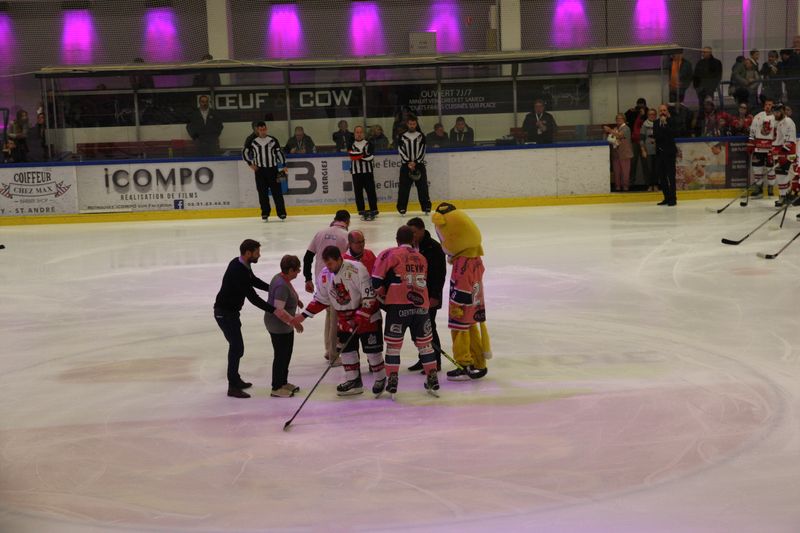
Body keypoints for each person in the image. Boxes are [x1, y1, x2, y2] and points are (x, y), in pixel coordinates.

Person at [295, 246, 387, 396]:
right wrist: (303, 316)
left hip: (367, 316)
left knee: (372, 351)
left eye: (331, 263)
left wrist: (361, 316)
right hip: (344, 319)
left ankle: (380, 378)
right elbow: (321, 299)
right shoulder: (325, 274)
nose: (328, 267)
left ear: (339, 259)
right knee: (347, 351)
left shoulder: (357, 269)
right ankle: (354, 381)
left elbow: (369, 296)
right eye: (326, 264)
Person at [214, 239, 297, 398]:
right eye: (257, 252)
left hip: (231, 313)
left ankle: (235, 379)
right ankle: (232, 386)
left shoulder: (242, 264)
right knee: (236, 347)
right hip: (224, 314)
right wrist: (274, 310)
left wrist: (273, 289)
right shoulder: (237, 270)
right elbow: (253, 298)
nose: (259, 255)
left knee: (237, 348)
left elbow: (253, 280)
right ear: (248, 253)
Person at [371, 226, 439, 397]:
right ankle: (432, 377)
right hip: (421, 307)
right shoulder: (421, 257)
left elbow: (376, 281)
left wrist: (383, 295)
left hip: (398, 306)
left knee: (393, 347)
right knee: (425, 345)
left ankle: (392, 379)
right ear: (413, 240)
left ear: (397, 239)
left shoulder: (389, 254)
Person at [431, 203, 491, 381]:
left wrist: (457, 305)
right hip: (475, 302)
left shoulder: (462, 262)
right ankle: (478, 362)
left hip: (462, 306)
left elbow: (462, 284)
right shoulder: (475, 257)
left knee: (460, 332)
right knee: (472, 329)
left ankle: (464, 364)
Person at [303, 210, 351, 366]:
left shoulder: (320, 233)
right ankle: (332, 353)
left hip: (321, 279)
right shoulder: (346, 236)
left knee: (330, 315)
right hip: (337, 280)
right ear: (347, 221)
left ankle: (329, 349)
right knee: (335, 316)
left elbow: (308, 257)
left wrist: (308, 279)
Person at [406, 217, 446, 373]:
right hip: (414, 294)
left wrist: (435, 296)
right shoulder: (409, 246)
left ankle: (435, 361)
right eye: (410, 233)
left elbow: (439, 274)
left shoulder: (433, 247)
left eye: (415, 232)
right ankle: (424, 358)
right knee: (417, 327)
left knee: (429, 327)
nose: (412, 235)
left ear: (422, 230)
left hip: (429, 295)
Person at [264, 255, 304, 398]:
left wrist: (296, 300)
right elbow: (279, 311)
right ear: (290, 270)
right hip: (278, 326)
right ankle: (276, 387)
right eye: (297, 269)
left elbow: (288, 294)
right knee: (281, 355)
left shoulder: (282, 278)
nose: (298, 272)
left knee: (286, 354)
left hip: (284, 326)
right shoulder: (281, 285)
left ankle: (283, 382)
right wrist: (295, 322)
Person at [242, 121, 287, 221]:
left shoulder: (273, 140)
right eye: (261, 130)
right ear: (257, 130)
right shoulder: (252, 141)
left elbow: (279, 153)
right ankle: (265, 213)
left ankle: (282, 213)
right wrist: (250, 164)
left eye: (264, 129)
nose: (263, 131)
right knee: (262, 193)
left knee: (277, 192)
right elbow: (244, 153)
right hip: (260, 171)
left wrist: (284, 165)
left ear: (266, 129)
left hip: (273, 170)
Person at [396, 114, 431, 215]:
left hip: (419, 165)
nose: (412, 125)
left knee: (423, 187)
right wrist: (408, 162)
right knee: (404, 188)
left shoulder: (421, 136)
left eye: (414, 124)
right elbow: (400, 150)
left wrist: (415, 162)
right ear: (407, 124)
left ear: (416, 124)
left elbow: (423, 150)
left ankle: (426, 207)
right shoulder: (402, 136)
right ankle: (402, 208)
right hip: (406, 166)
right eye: (410, 124)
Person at [348, 125, 378, 220]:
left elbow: (371, 157)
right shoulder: (351, 144)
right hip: (356, 172)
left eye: (361, 132)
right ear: (354, 134)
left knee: (371, 191)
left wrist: (358, 155)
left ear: (364, 134)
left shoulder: (369, 144)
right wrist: (363, 154)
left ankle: (374, 209)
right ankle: (361, 210)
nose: (359, 134)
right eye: (357, 132)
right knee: (358, 192)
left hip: (368, 172)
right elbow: (352, 156)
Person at [748, 98, 776, 198]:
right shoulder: (758, 116)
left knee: (771, 169)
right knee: (757, 168)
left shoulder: (776, 118)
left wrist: (775, 148)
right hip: (758, 148)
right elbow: (752, 131)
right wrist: (751, 143)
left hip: (770, 149)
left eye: (770, 105)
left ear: (773, 106)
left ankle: (770, 187)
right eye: (766, 104)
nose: (768, 106)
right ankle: (759, 188)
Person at [770, 104, 797, 207]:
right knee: (780, 175)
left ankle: (786, 196)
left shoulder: (788, 122)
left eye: (778, 112)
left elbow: (790, 142)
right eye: (774, 112)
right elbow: (777, 140)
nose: (776, 114)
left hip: (788, 154)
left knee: (784, 175)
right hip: (780, 153)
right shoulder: (777, 122)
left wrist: (782, 154)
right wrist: (773, 151)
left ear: (782, 111)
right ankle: (783, 196)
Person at [654, 104, 679, 206]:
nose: (662, 112)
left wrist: (665, 125)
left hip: (670, 153)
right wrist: (662, 129)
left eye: (664, 110)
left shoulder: (672, 121)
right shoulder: (656, 123)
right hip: (660, 153)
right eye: (661, 111)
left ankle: (673, 198)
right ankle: (666, 197)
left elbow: (673, 134)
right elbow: (657, 136)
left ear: (667, 111)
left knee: (671, 177)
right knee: (662, 177)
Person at [604, 113, 633, 192]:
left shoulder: (626, 128)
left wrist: (610, 130)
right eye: (617, 119)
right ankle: (617, 186)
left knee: (625, 172)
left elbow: (620, 135)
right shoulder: (615, 128)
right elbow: (611, 138)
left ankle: (625, 187)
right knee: (617, 171)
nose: (618, 120)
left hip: (625, 154)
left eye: (620, 118)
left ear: (624, 119)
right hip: (616, 153)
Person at [640, 108, 659, 192]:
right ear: (647, 115)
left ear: (656, 115)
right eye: (650, 114)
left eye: (653, 114)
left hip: (658, 150)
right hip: (648, 150)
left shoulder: (659, 123)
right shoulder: (644, 125)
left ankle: (656, 184)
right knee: (649, 169)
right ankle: (650, 185)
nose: (652, 116)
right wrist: (643, 150)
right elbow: (641, 139)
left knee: (657, 168)